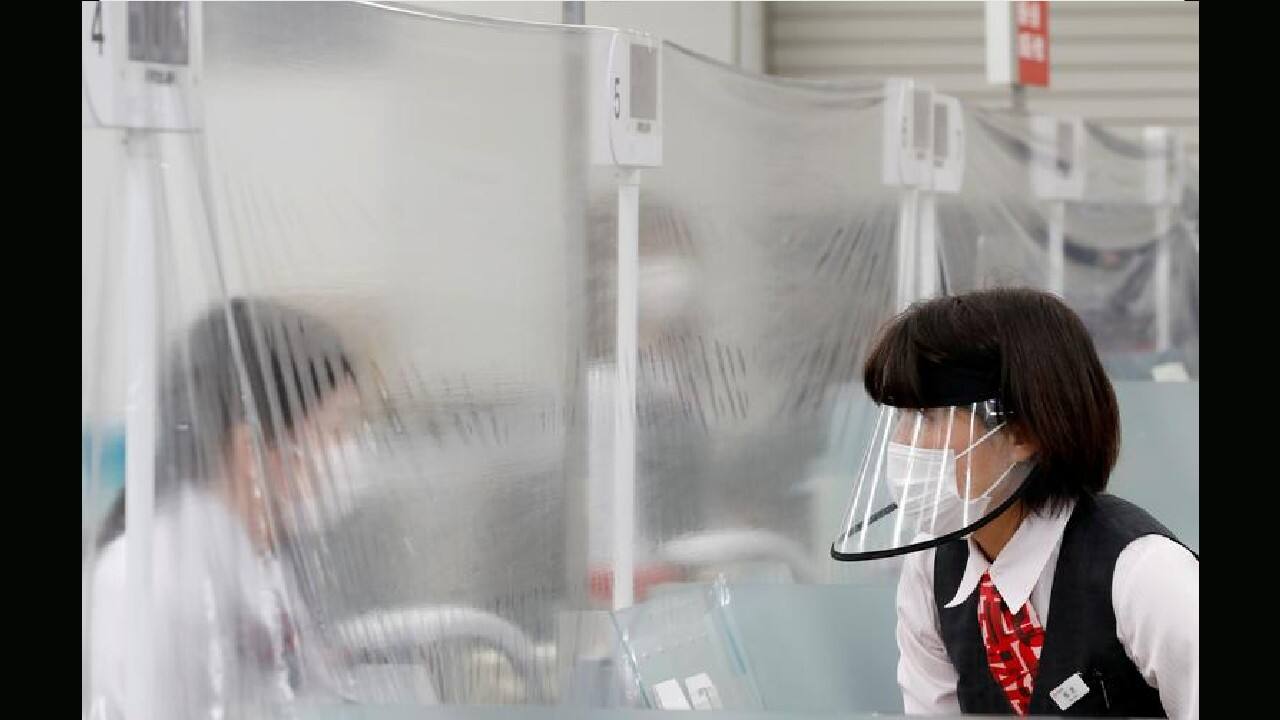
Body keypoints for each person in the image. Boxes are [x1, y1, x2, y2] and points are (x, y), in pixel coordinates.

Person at [830, 288, 1197, 718]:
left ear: (1023, 433)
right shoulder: (932, 572)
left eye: (929, 418)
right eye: (902, 418)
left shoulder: (1144, 572)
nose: (904, 444)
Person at [88, 297, 369, 719]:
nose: (355, 450)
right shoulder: (150, 583)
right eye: (339, 431)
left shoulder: (264, 550)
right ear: (250, 450)